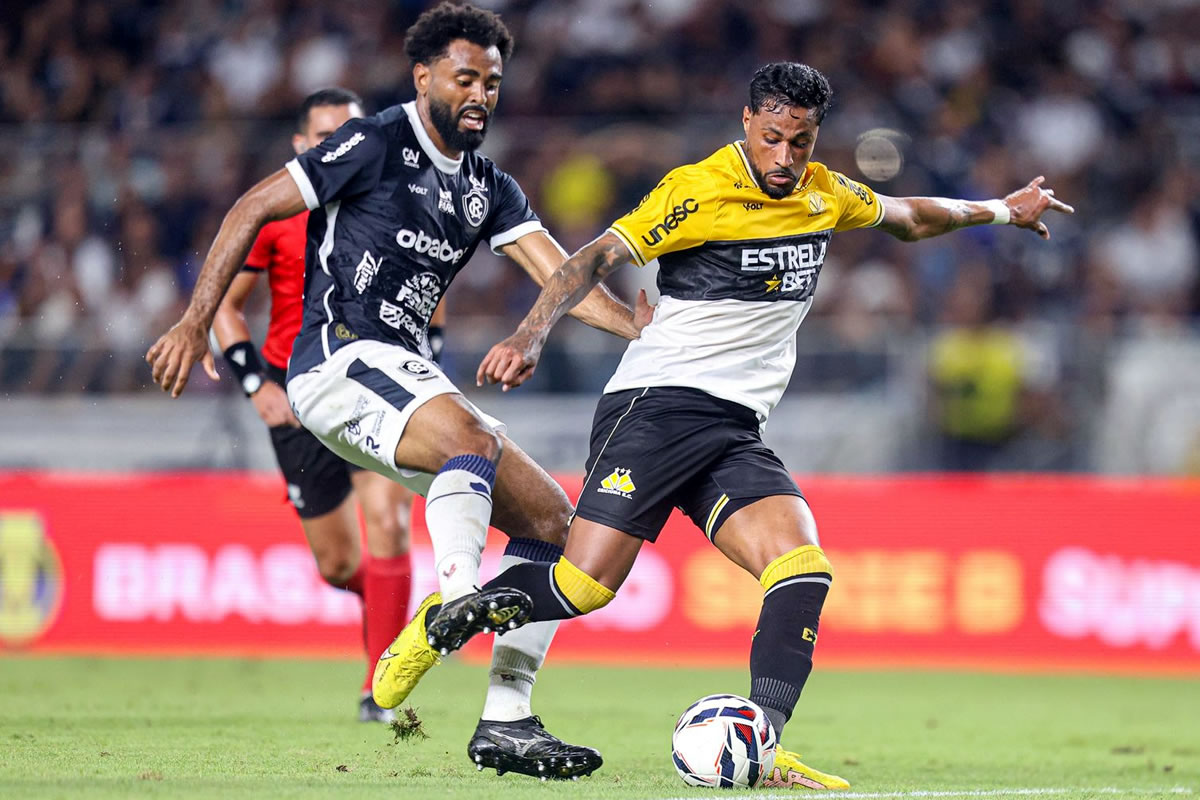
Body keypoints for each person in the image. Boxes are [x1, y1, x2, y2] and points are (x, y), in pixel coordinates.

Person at [404, 61, 1073, 788]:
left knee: (801, 570)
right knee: (584, 586)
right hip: (657, 406)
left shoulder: (823, 193)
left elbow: (910, 218)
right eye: (773, 138)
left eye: (801, 142)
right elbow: (590, 261)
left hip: (732, 428)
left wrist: (1002, 210)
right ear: (748, 122)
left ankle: (761, 740)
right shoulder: (696, 191)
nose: (785, 157)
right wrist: (531, 334)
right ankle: (447, 614)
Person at [146, 2, 648, 781]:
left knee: (554, 521)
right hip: (336, 360)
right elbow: (252, 206)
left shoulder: (488, 187)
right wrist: (193, 321)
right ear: (423, 77)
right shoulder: (376, 142)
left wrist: (639, 329)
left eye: (492, 82)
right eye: (464, 78)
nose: (480, 94)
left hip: (401, 373)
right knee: (470, 442)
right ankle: (455, 596)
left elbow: (563, 278)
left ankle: (506, 719)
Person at [212, 87, 426, 723]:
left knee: (387, 522)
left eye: (351, 136)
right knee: (337, 565)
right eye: (327, 138)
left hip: (373, 384)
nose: (341, 148)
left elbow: (431, 297)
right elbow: (225, 307)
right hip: (295, 393)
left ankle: (380, 688)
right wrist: (255, 384)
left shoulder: (393, 204)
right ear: (301, 146)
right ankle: (390, 607)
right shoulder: (274, 214)